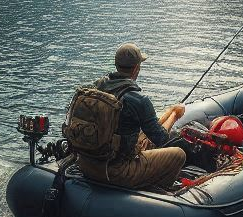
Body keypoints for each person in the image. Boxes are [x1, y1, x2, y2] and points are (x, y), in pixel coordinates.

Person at [76, 43, 187, 191]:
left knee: (140, 136)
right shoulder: (139, 100)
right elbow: (161, 139)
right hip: (117, 172)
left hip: (86, 164)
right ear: (136, 68)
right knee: (179, 154)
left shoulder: (95, 88)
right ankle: (158, 191)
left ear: (116, 65)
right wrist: (174, 114)